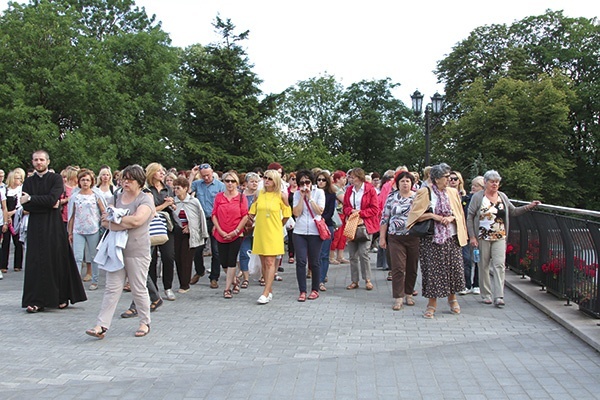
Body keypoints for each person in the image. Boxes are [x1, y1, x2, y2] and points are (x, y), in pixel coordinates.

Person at [86, 164, 154, 339]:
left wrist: (115, 221)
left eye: (130, 179)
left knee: (138, 288)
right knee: (112, 288)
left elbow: (138, 220)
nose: (126, 182)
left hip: (137, 249)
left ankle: (144, 321)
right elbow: (103, 220)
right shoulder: (116, 196)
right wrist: (116, 221)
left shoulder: (145, 199)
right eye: (124, 178)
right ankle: (101, 325)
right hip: (115, 249)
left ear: (139, 182)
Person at [20, 150, 87, 313]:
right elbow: (26, 205)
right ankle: (36, 300)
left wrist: (32, 199)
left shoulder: (55, 178)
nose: (38, 162)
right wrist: (41, 203)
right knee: (35, 262)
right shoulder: (29, 181)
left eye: (41, 159)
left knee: (56, 259)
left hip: (53, 226)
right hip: (35, 226)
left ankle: (60, 297)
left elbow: (52, 198)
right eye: (35, 160)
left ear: (48, 162)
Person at [467, 170, 540, 307]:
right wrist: (472, 236)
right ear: (485, 183)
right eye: (492, 181)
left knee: (499, 265)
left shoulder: (502, 196)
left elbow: (513, 211)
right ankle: (486, 294)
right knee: (483, 265)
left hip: (500, 236)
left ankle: (499, 295)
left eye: (497, 182)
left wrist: (529, 207)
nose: (494, 184)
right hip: (482, 236)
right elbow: (470, 216)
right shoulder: (478, 197)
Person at [406, 163, 468, 319]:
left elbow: (459, 214)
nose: (449, 180)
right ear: (436, 178)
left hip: (451, 237)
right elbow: (414, 216)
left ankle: (452, 299)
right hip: (431, 239)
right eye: (446, 177)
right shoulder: (425, 192)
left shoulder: (453, 193)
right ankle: (431, 304)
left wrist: (451, 217)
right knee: (433, 272)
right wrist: (433, 216)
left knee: (453, 269)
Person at [248, 169, 291, 304]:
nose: (266, 180)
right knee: (263, 263)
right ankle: (269, 289)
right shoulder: (259, 194)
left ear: (276, 181)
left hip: (274, 231)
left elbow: (287, 214)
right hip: (261, 230)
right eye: (265, 178)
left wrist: (279, 225)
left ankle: (265, 292)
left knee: (270, 261)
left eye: (270, 178)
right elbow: (252, 212)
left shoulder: (281, 195)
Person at [379, 170, 420, 310]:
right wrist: (382, 237)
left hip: (413, 236)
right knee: (398, 267)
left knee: (412, 267)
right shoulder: (392, 197)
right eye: (402, 181)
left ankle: (409, 293)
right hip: (395, 237)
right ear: (397, 183)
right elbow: (384, 218)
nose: (405, 183)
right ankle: (398, 297)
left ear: (412, 183)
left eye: (408, 181)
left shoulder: (417, 197)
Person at [67, 169, 107, 291]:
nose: (85, 182)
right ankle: (76, 281)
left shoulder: (96, 195)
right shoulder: (75, 196)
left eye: (87, 180)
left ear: (92, 182)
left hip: (93, 229)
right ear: (79, 181)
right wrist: (69, 232)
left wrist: (104, 223)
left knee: (93, 256)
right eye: (83, 180)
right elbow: (71, 215)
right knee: (77, 257)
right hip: (78, 229)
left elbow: (103, 210)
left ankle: (95, 280)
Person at [211, 171, 248, 299]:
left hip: (236, 234)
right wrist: (220, 230)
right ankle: (234, 281)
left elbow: (245, 216)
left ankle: (227, 289)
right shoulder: (219, 197)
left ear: (237, 183)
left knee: (232, 260)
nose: (230, 183)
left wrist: (236, 231)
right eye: (227, 181)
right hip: (221, 233)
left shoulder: (241, 198)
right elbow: (214, 214)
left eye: (233, 181)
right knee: (224, 262)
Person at [188, 163, 225, 288]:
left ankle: (214, 277)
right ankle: (199, 270)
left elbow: (223, 205)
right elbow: (186, 192)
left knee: (216, 251)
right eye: (203, 176)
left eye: (208, 175)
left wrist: (218, 223)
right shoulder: (198, 184)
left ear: (212, 173)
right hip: (201, 220)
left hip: (215, 219)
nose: (206, 178)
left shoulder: (220, 186)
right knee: (197, 248)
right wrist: (192, 175)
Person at [343, 168, 380, 291]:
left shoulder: (370, 190)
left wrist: (361, 213)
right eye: (350, 177)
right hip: (352, 224)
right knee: (352, 254)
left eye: (352, 177)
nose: (350, 179)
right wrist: (351, 211)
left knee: (364, 253)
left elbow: (375, 209)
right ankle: (354, 280)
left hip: (365, 224)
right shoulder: (349, 190)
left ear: (359, 177)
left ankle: (367, 279)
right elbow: (345, 207)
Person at [292, 169, 326, 301]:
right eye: (301, 183)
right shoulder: (296, 194)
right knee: (300, 261)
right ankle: (302, 290)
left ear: (312, 182)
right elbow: (296, 213)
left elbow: (319, 211)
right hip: (299, 231)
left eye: (307, 182)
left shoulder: (319, 192)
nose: (305, 185)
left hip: (315, 231)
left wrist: (310, 198)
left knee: (314, 261)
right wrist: (301, 197)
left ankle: (315, 289)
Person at [146, 163, 177, 300]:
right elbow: (149, 209)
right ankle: (153, 290)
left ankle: (168, 287)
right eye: (158, 171)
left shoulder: (168, 189)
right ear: (152, 173)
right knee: (151, 259)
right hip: (150, 226)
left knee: (168, 257)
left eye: (162, 171)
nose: (162, 173)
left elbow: (172, 207)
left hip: (166, 226)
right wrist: (165, 205)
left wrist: (172, 204)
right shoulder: (146, 190)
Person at [172, 177, 209, 294]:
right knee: (177, 258)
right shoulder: (172, 202)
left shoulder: (193, 201)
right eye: (174, 188)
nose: (176, 190)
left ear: (185, 189)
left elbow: (199, 218)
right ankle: (181, 280)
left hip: (189, 234)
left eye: (178, 188)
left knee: (186, 258)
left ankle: (185, 284)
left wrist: (192, 228)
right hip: (176, 233)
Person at [458, 176, 485, 295]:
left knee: (479, 259)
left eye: (476, 186)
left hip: (480, 233)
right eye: (472, 185)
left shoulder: (485, 200)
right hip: (467, 233)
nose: (473, 187)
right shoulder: (466, 199)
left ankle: (477, 284)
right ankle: (466, 284)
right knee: (466, 258)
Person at [315, 170, 336, 291]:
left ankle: (321, 280)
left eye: (323, 180)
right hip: (313, 226)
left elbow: (330, 212)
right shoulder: (312, 193)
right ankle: (317, 277)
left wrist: (321, 220)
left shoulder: (331, 194)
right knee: (315, 254)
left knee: (324, 254)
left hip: (326, 225)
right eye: (319, 180)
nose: (321, 182)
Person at [238, 172, 260, 289]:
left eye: (256, 181)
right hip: (246, 227)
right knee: (244, 252)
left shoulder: (261, 194)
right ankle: (246, 277)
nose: (254, 183)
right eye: (252, 181)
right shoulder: (241, 196)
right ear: (246, 183)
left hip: (259, 227)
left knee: (261, 253)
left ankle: (262, 276)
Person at [1, 168, 25, 273]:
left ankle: (18, 264)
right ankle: (3, 265)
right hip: (6, 217)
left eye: (20, 178)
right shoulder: (6, 190)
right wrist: (7, 216)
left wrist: (12, 213)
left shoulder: (21, 190)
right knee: (5, 241)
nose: (19, 180)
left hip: (17, 216)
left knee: (18, 241)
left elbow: (21, 206)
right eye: (17, 178)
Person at [329, 170, 348, 265]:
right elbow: (344, 200)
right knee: (336, 236)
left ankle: (340, 256)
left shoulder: (343, 188)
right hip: (338, 214)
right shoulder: (335, 188)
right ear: (337, 179)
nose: (345, 180)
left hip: (344, 214)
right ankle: (331, 256)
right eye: (343, 178)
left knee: (343, 236)